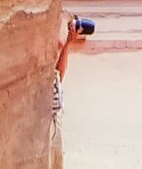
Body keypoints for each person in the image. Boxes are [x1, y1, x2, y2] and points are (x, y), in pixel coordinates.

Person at [49, 11, 91, 167]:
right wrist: (66, 18)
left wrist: (68, 44)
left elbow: (59, 74)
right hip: (45, 117)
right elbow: (57, 44)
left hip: (54, 116)